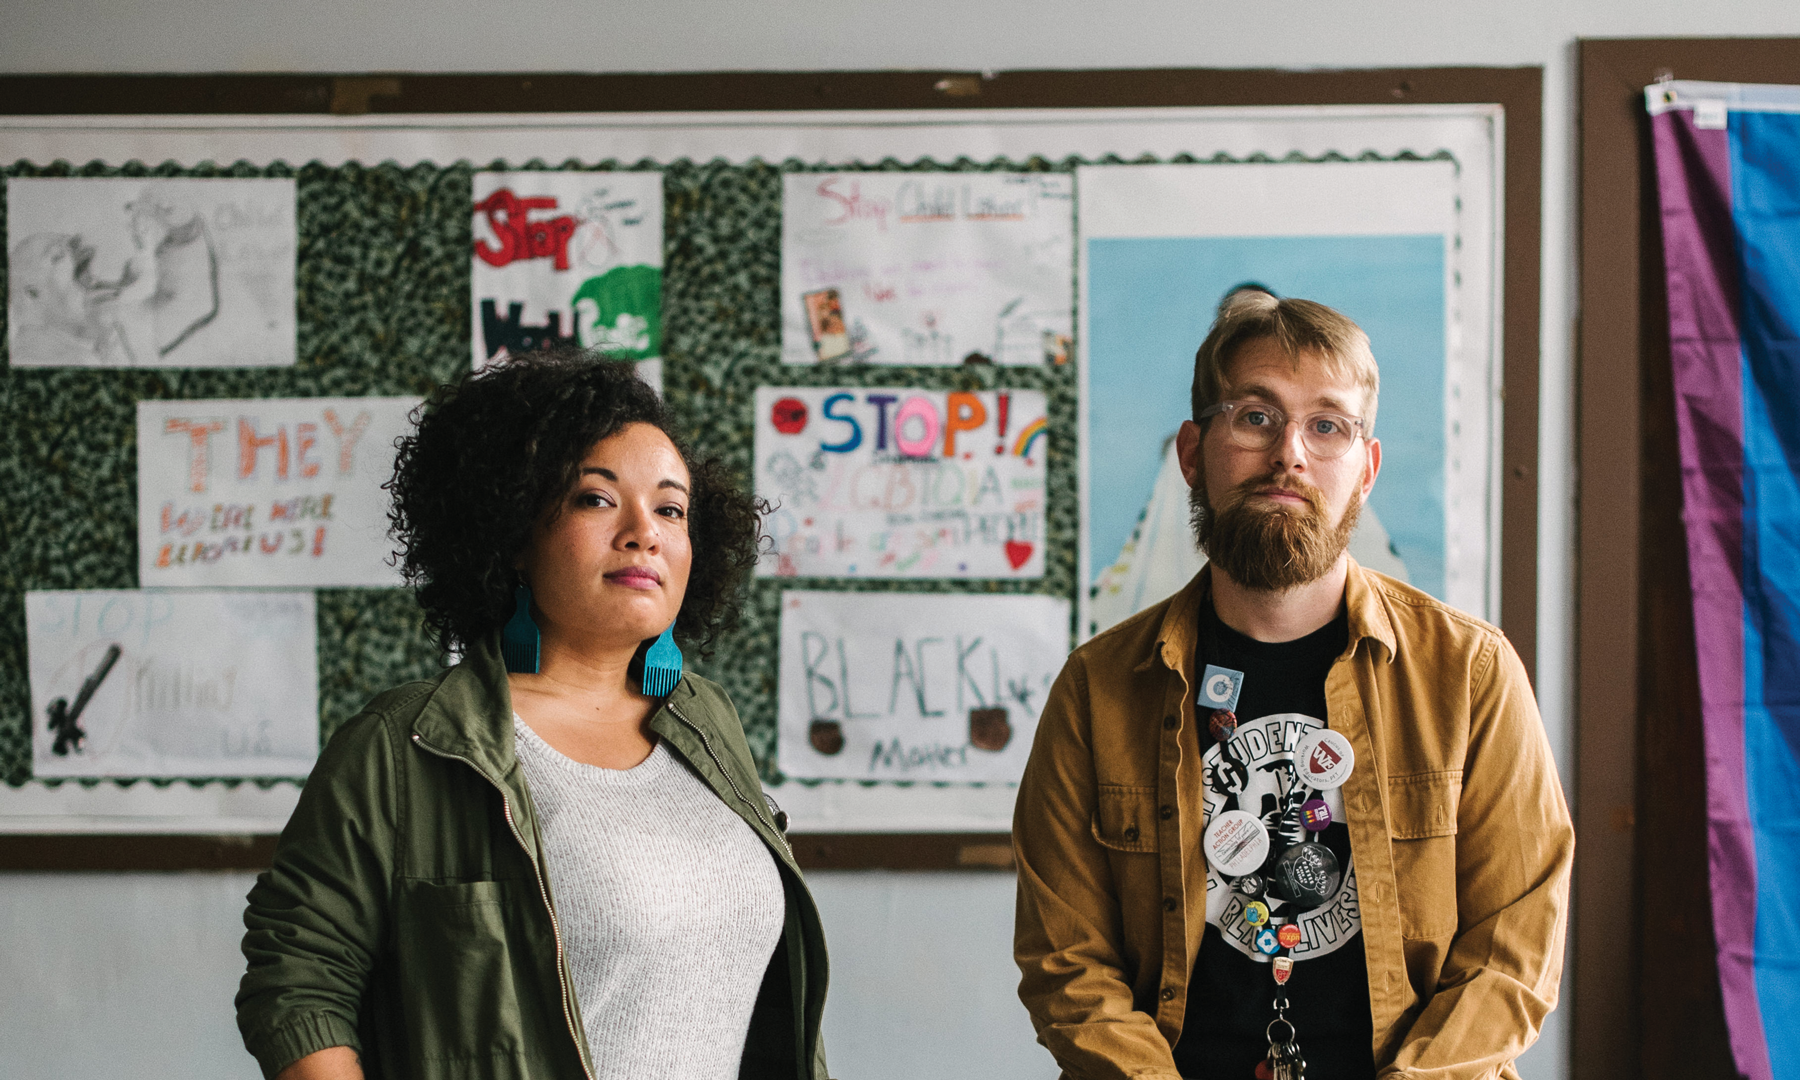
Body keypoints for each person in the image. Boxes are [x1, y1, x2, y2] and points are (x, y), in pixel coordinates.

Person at [1013, 293, 1572, 1080]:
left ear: (1366, 468)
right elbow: (1068, 967)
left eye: (1327, 425)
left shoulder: (1471, 676)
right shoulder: (1097, 692)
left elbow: (1512, 957)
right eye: (1254, 417)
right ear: (1192, 451)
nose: (1290, 455)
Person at [236, 350, 830, 1080]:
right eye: (596, 499)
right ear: (514, 531)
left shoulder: (706, 721)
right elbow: (298, 981)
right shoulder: (407, 745)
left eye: (671, 509)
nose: (645, 531)